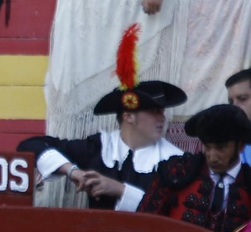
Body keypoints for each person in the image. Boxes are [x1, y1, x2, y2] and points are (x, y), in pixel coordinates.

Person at [18, 77, 186, 211]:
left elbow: (173, 210)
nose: (162, 118)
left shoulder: (176, 161)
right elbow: (31, 146)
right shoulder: (102, 148)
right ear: (129, 116)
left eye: (162, 112)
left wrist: (119, 190)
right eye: (154, 112)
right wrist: (72, 171)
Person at [137, 104, 251, 232]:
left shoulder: (248, 182)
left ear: (240, 146)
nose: (212, 156)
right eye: (208, 147)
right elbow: (145, 223)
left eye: (221, 148)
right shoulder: (177, 171)